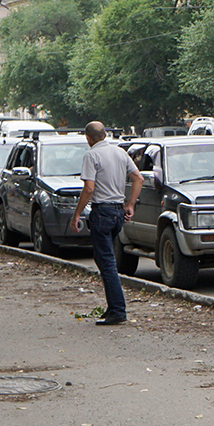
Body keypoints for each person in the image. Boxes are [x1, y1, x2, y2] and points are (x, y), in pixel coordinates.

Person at [69, 121, 142, 326]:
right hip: (117, 211)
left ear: (88, 138)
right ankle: (113, 307)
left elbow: (89, 188)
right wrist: (130, 205)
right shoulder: (120, 152)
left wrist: (77, 214)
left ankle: (118, 310)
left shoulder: (92, 155)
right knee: (104, 259)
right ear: (104, 135)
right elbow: (138, 178)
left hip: (101, 211)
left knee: (107, 262)